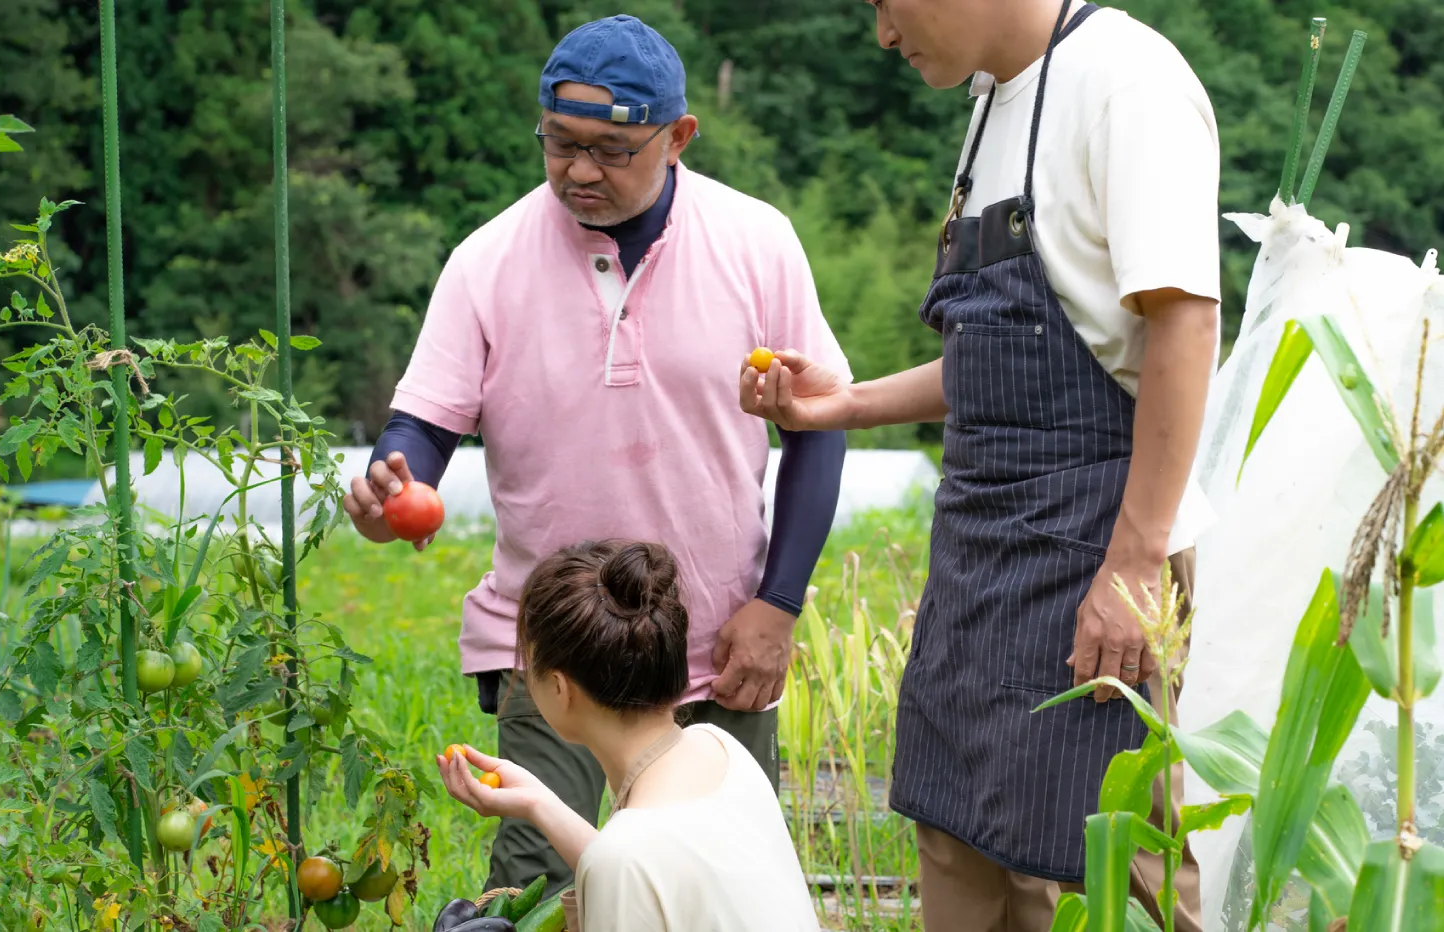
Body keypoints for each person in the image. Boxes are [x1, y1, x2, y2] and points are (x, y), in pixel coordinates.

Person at [341, 13, 852, 896]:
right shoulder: (486, 260)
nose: (580, 171)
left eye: (612, 149)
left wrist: (777, 605)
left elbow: (819, 425)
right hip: (553, 653)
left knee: (720, 883)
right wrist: (397, 482)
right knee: (537, 890)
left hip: (718, 646)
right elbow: (424, 423)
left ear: (678, 136)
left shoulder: (755, 241)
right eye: (560, 143)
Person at [739, 1, 1220, 929]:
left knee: (1090, 872)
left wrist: (1133, 562)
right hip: (978, 549)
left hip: (1098, 544)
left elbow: (1184, 327)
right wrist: (845, 403)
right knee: (956, 847)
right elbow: (1002, 353)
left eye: (884, 2)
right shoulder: (994, 102)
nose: (881, 33)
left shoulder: (1127, 81)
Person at [438, 540, 820, 931]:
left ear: (559, 688)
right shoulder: (719, 748)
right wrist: (538, 803)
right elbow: (648, 871)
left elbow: (628, 864)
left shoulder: (624, 856)